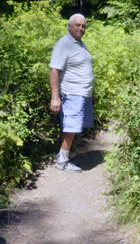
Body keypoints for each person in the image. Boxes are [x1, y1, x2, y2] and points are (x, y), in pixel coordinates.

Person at [49, 14, 96, 173]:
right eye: (77, 25)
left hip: (83, 93)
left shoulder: (80, 44)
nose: (80, 28)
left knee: (73, 127)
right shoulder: (64, 44)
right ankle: (62, 161)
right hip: (72, 93)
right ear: (69, 26)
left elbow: (85, 70)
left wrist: (92, 93)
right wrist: (55, 97)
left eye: (83, 26)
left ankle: (63, 156)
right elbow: (54, 69)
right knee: (71, 127)